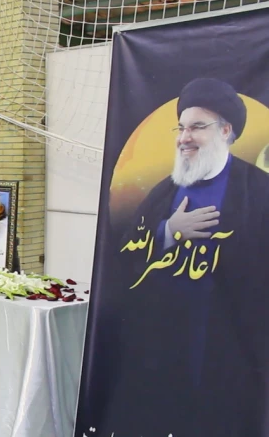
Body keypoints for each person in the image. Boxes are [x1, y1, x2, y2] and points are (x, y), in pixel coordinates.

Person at [98, 77, 269, 437]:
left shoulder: (259, 190)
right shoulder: (164, 192)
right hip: (161, 347)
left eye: (197, 127)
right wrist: (169, 232)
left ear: (226, 131)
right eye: (181, 127)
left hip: (229, 346)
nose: (184, 137)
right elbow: (128, 251)